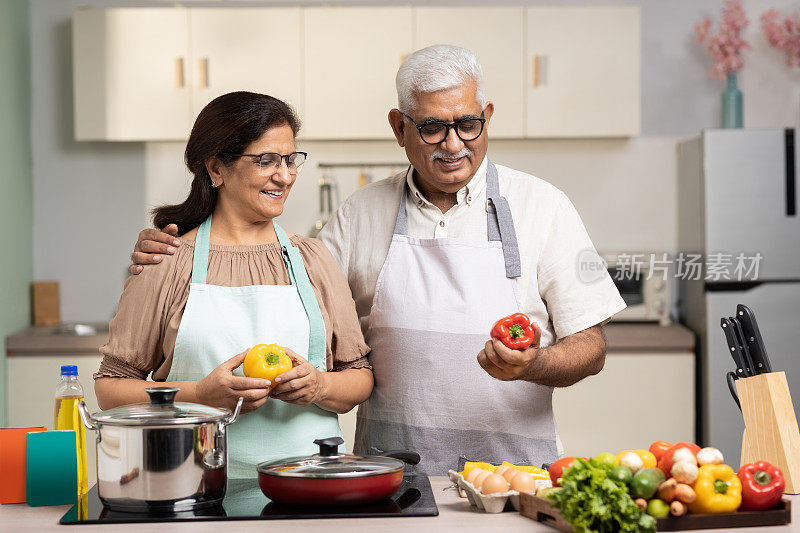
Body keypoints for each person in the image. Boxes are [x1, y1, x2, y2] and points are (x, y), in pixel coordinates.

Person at [130, 46, 625, 474]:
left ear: (487, 116)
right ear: (398, 127)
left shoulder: (546, 205)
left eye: (468, 124)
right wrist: (179, 255)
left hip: (515, 473)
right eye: (432, 128)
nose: (453, 144)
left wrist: (535, 363)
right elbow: (294, 307)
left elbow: (592, 345)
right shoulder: (360, 213)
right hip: (389, 476)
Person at [96, 91, 373, 478]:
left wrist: (320, 387)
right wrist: (200, 396)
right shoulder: (168, 261)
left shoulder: (314, 258)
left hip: (309, 487)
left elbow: (358, 377)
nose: (285, 175)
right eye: (266, 161)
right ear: (216, 169)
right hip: (193, 485)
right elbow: (111, 390)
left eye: (291, 160)